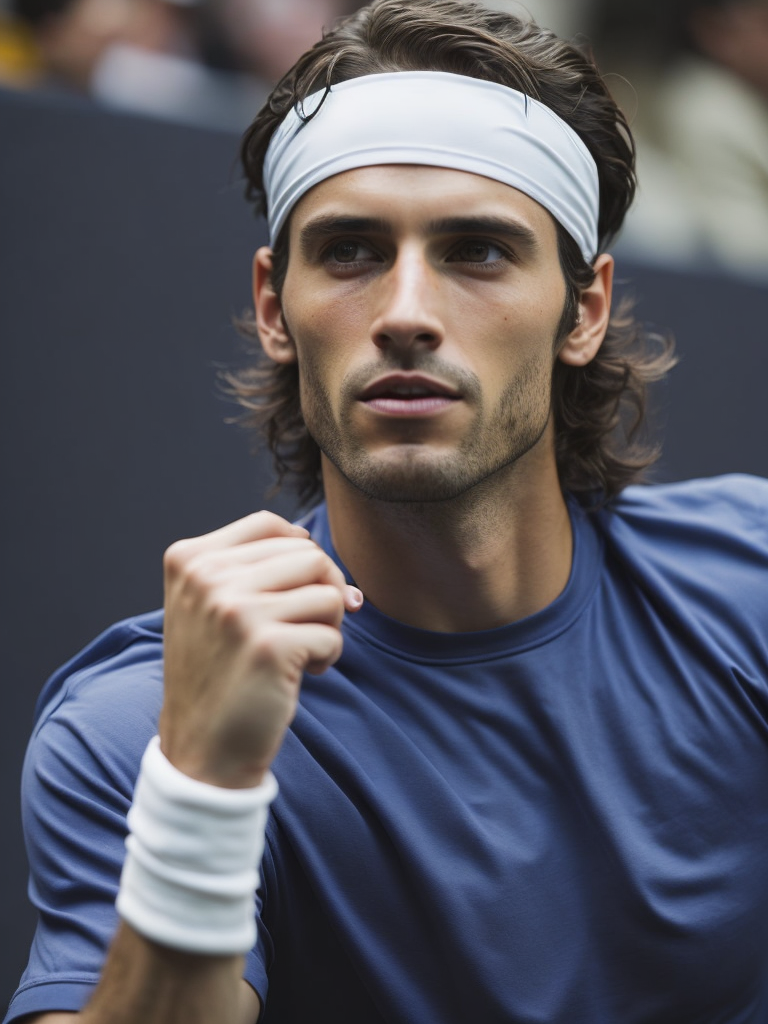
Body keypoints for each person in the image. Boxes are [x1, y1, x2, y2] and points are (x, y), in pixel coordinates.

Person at [5, 1, 768, 1022]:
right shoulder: (141, 733)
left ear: (582, 311)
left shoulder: (751, 596)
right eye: (353, 252)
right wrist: (206, 788)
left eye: (478, 251)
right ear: (276, 306)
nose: (406, 311)